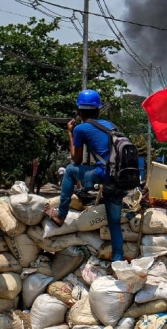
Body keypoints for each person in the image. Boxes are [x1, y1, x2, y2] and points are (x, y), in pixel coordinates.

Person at [43, 89, 126, 261]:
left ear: (79, 111)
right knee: (114, 223)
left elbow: (76, 159)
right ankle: (118, 259)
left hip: (104, 175)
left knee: (70, 170)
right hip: (120, 178)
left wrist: (70, 133)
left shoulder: (81, 129)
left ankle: (60, 215)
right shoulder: (112, 126)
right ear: (98, 110)